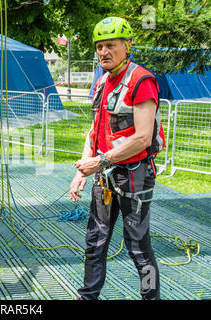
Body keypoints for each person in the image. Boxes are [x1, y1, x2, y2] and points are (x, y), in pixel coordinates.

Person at [69, 17, 165, 300]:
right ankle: (87, 296)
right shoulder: (102, 83)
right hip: (105, 175)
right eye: (99, 47)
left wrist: (99, 162)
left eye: (110, 45)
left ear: (127, 46)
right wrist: (81, 172)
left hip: (134, 175)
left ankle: (151, 298)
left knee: (138, 246)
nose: (103, 52)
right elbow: (95, 131)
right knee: (95, 241)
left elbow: (143, 137)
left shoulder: (141, 81)